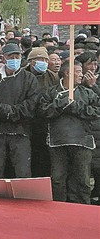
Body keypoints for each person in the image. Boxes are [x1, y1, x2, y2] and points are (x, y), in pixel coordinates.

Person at [38, 62, 99, 204]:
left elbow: (96, 111)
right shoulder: (51, 92)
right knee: (58, 179)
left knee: (82, 180)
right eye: (78, 71)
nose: (81, 75)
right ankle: (58, 207)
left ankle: (82, 208)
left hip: (83, 141)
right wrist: (61, 104)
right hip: (58, 141)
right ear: (67, 73)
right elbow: (43, 111)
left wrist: (77, 107)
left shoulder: (87, 93)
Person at [0, 42, 40, 179]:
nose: (14, 59)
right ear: (3, 58)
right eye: (11, 56)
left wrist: (14, 112)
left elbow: (32, 102)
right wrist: (4, 111)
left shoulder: (29, 78)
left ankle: (22, 193)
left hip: (21, 130)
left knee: (23, 170)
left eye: (17, 56)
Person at [25, 46, 58, 178]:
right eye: (40, 60)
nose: (43, 62)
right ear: (32, 61)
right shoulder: (23, 75)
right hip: (27, 120)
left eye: (45, 60)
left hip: (45, 121)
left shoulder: (52, 76)